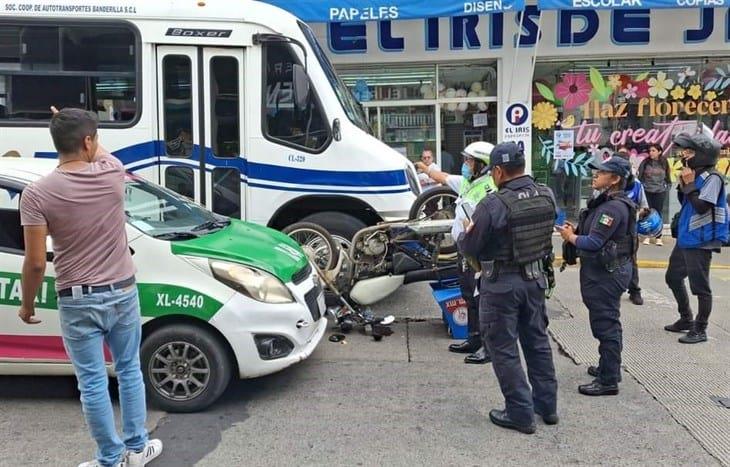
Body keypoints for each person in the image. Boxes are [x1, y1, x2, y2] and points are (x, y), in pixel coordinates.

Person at [18, 108, 163, 467]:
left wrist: (27, 305)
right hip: (122, 292)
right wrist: (72, 123)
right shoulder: (112, 173)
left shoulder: (36, 195)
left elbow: (36, 262)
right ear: (87, 141)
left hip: (77, 298)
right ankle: (137, 448)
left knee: (93, 383)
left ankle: (110, 460)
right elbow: (98, 152)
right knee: (128, 369)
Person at [458, 142, 558, 434]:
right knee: (537, 342)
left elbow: (470, 245)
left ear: (498, 171)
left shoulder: (494, 204)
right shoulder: (546, 194)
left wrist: (466, 234)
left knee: (502, 347)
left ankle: (520, 413)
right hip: (535, 281)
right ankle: (547, 407)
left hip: (502, 284)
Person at [557, 156, 636, 396]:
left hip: (607, 274)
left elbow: (594, 242)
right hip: (604, 271)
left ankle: (608, 379)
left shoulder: (613, 207)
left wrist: (570, 238)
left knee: (606, 325)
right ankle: (608, 367)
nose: (595, 175)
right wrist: (575, 231)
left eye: (601, 172)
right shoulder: (604, 202)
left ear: (615, 179)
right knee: (605, 322)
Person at [415, 141, 496, 364]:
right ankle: (473, 339)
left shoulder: (489, 189)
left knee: (483, 300)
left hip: (480, 254)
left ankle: (488, 348)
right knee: (468, 295)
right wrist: (425, 168)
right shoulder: (468, 183)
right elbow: (444, 178)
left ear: (482, 164)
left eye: (469, 161)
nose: (465, 164)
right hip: (465, 250)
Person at [663, 133, 728, 344]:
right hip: (686, 237)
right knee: (673, 277)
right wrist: (684, 184)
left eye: (689, 152)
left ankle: (700, 329)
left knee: (700, 287)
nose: (684, 155)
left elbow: (702, 206)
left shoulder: (713, 178)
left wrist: (690, 185)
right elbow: (686, 203)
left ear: (702, 155)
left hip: (702, 239)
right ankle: (686, 318)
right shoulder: (693, 174)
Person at [616, 149, 649, 306]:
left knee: (631, 259)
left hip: (630, 229)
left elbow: (644, 207)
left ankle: (634, 290)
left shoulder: (636, 185)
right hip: (609, 228)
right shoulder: (607, 182)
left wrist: (635, 215)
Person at [638, 143, 672, 246]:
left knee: (658, 213)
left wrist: (666, 188)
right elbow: (640, 176)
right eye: (650, 151)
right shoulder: (645, 162)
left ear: (659, 152)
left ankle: (658, 237)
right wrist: (642, 188)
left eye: (653, 151)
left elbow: (668, 178)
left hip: (659, 191)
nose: (651, 153)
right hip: (647, 191)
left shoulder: (664, 162)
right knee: (647, 213)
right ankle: (647, 235)